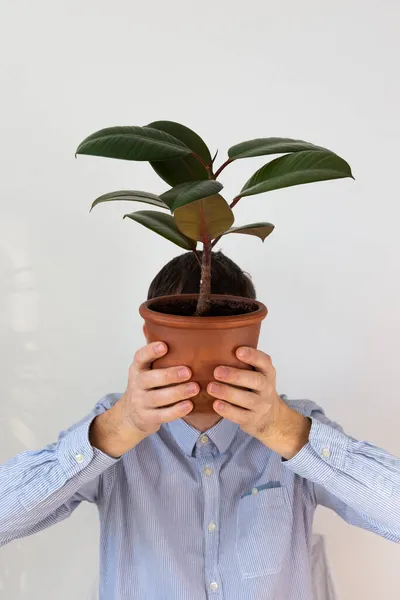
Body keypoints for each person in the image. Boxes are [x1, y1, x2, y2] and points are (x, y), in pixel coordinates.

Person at [1, 250, 399, 600]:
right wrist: (111, 432)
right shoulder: (113, 430)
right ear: (150, 336)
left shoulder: (296, 431)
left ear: (250, 341)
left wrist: (291, 434)